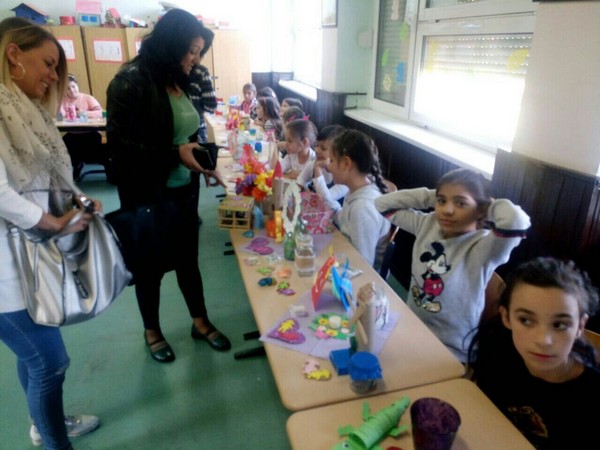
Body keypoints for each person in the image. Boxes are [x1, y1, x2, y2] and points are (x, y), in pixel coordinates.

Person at [106, 8, 231, 364]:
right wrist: (175, 154)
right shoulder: (129, 81)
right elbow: (120, 149)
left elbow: (186, 130)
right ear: (170, 43)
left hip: (183, 188)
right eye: (191, 50)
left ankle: (200, 321)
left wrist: (202, 161)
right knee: (149, 267)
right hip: (146, 191)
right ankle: (152, 331)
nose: (195, 59)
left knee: (188, 259)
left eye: (199, 52)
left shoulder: (179, 77)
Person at [0, 17, 100, 449]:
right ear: (13, 55)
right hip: (5, 272)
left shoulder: (25, 113)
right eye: (48, 63)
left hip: (25, 259)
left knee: (33, 356)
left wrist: (76, 200)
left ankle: (44, 424)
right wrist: (53, 222)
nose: (54, 76)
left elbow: (42, 178)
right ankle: (55, 439)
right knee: (49, 362)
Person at [375, 168, 531, 362]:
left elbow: (516, 221)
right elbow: (382, 204)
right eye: (442, 201)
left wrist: (486, 206)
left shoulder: (486, 247)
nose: (447, 210)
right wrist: (435, 195)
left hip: (452, 350)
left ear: (481, 210)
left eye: (460, 203)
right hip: (413, 327)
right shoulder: (427, 224)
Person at [468, 257, 600, 449]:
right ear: (506, 317)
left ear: (580, 326)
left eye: (560, 325)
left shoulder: (592, 399)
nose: (543, 340)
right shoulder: (497, 348)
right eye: (526, 320)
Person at [316, 129, 391, 269]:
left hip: (357, 273)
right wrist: (328, 207)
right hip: (345, 253)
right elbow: (343, 219)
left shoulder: (363, 209)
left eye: (332, 160)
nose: (328, 166)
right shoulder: (356, 191)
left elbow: (363, 265)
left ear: (346, 163)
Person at [58, 74, 106, 180]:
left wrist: (83, 113)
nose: (72, 90)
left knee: (92, 144)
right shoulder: (64, 100)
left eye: (73, 86)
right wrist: (60, 101)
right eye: (68, 88)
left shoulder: (87, 98)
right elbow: (60, 114)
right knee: (63, 143)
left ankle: (106, 164)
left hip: (91, 132)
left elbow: (100, 112)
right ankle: (76, 165)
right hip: (73, 133)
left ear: (77, 85)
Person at [297, 124, 348, 204]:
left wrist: (318, 169)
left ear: (339, 154)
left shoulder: (343, 179)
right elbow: (300, 182)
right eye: (317, 145)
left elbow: (326, 200)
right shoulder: (312, 164)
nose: (317, 150)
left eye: (323, 148)